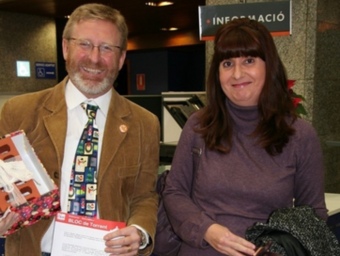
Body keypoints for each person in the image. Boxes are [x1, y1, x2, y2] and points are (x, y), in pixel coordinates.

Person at [0, 3, 160, 256]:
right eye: (84, 44)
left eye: (107, 48)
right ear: (65, 47)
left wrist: (139, 231)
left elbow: (145, 196)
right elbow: (4, 185)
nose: (94, 58)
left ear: (121, 58)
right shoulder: (19, 112)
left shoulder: (145, 124)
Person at [162, 18, 328, 256]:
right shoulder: (199, 125)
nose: (237, 74)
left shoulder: (299, 136)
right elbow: (174, 192)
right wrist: (207, 230)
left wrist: (276, 249)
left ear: (269, 66)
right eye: (227, 63)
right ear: (217, 72)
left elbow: (313, 215)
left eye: (249, 61)